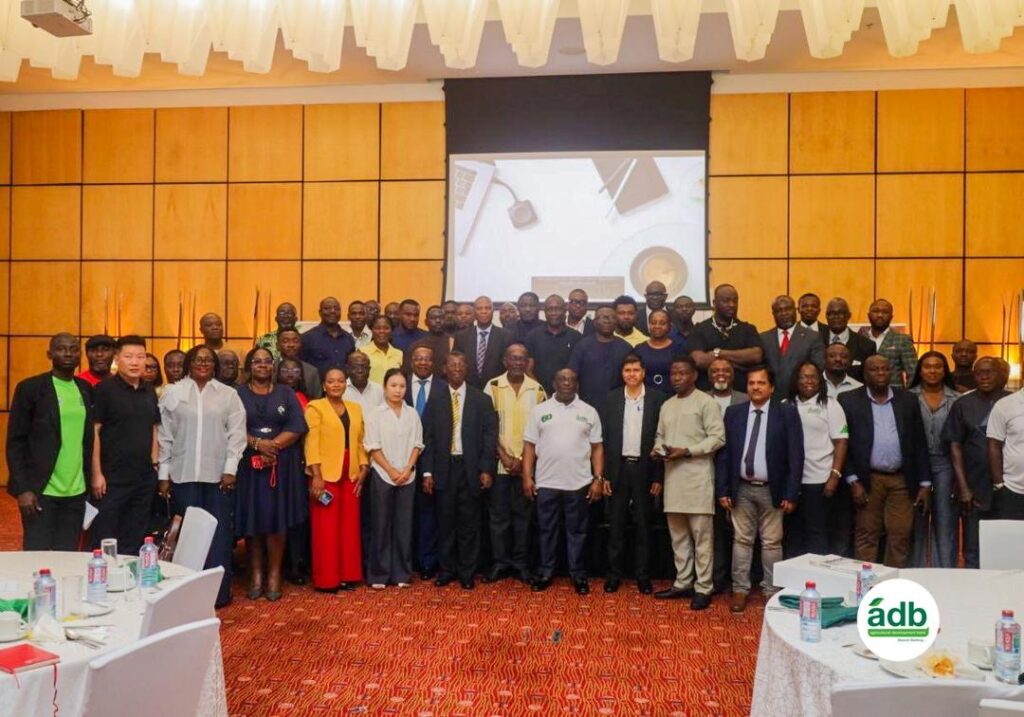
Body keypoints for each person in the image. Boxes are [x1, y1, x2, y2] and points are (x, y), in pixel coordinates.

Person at [157, 344, 245, 607]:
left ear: (215, 365)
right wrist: (164, 474)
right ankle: (186, 595)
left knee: (218, 536)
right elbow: (165, 435)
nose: (203, 363)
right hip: (182, 475)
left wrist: (230, 469)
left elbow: (237, 434)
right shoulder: (173, 392)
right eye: (198, 359)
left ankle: (218, 594)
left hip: (218, 477)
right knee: (187, 536)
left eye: (208, 360)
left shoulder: (228, 395)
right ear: (189, 363)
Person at [716, 366, 803, 613]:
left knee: (772, 542)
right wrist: (723, 489)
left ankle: (770, 591)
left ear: (771, 387)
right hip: (741, 488)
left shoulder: (786, 413)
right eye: (752, 383)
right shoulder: (734, 413)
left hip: (773, 490)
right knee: (741, 540)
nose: (755, 387)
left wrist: (791, 492)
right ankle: (740, 590)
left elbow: (796, 455)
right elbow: (725, 455)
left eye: (761, 383)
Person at [839, 355, 932, 568]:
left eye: (885, 369)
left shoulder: (907, 400)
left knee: (900, 535)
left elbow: (919, 441)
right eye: (874, 369)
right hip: (867, 480)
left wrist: (925, 483)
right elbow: (844, 444)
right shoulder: (849, 400)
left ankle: (892, 582)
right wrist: (853, 480)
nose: (880, 373)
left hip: (901, 480)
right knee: (866, 534)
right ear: (865, 374)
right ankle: (866, 583)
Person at [651, 355, 725, 609]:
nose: (677, 377)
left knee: (702, 539)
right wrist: (658, 449)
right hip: (673, 478)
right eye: (673, 373)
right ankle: (683, 582)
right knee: (679, 537)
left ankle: (703, 587)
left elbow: (718, 438)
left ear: (694, 375)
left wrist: (688, 451)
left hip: (697, 478)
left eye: (682, 373)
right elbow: (660, 436)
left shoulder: (706, 402)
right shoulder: (667, 405)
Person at [7, 333, 93, 551]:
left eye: (73, 349)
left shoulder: (85, 389)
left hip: (76, 492)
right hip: (40, 492)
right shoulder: (31, 388)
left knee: (68, 554)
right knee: (37, 555)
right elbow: (16, 442)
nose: (68, 354)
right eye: (61, 349)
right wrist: (23, 489)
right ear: (49, 354)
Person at [235, 347, 309, 601]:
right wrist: (257, 444)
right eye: (257, 361)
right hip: (249, 465)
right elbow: (231, 426)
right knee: (253, 518)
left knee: (277, 519)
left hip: (281, 463)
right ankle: (256, 573)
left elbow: (298, 425)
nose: (263, 365)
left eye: (267, 361)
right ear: (249, 366)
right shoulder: (238, 393)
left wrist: (272, 446)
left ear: (273, 366)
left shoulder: (285, 392)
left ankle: (275, 573)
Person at [420, 352, 498, 590]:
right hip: (443, 469)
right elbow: (427, 438)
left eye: (460, 365)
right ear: (444, 369)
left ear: (467, 369)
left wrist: (487, 468)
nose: (456, 368)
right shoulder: (435, 399)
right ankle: (447, 570)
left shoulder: (481, 399)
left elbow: (489, 437)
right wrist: (427, 472)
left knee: (469, 523)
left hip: (471, 468)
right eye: (452, 365)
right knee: (445, 523)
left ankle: (467, 572)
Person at [522, 369, 603, 595]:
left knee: (577, 531)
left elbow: (597, 448)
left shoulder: (589, 411)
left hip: (578, 483)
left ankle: (578, 574)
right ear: (553, 383)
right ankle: (546, 572)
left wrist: (598, 478)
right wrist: (527, 477)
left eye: (571, 380)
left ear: (577, 384)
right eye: (562, 379)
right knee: (546, 530)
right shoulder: (539, 410)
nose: (567, 383)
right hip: (546, 483)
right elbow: (529, 446)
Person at [600, 354, 667, 595]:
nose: (631, 374)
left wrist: (658, 476)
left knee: (643, 526)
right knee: (616, 526)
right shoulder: (612, 399)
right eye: (627, 370)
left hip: (645, 469)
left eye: (636, 370)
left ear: (644, 372)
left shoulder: (658, 399)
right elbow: (605, 439)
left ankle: (643, 576)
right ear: (622, 374)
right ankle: (613, 575)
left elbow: (662, 438)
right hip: (618, 468)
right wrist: (605, 475)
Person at [89, 335, 161, 554]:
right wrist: (96, 474)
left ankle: (130, 573)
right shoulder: (104, 390)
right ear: (117, 358)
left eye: (140, 357)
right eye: (128, 356)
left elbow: (154, 428)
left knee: (136, 535)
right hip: (112, 479)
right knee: (106, 537)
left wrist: (154, 465)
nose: (135, 362)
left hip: (143, 477)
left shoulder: (148, 390)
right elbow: (94, 432)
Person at [483, 344, 546, 584]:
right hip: (500, 465)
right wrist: (504, 456)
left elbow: (543, 430)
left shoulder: (537, 389)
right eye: (513, 358)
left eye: (522, 359)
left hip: (527, 468)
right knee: (498, 519)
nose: (518, 362)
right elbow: (487, 427)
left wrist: (523, 461)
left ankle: (521, 564)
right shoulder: (492, 386)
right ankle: (500, 563)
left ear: (527, 362)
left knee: (524, 519)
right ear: (505, 361)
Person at [305, 367, 369, 592]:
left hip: (351, 472)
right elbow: (311, 443)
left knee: (349, 527)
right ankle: (327, 579)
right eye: (331, 381)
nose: (336, 384)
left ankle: (348, 575)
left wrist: (364, 467)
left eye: (340, 381)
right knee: (326, 529)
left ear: (345, 384)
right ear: (324, 385)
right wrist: (316, 476)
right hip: (325, 474)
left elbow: (360, 442)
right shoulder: (315, 407)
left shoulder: (355, 408)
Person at [944, 357, 1010, 568]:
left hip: (1010, 487)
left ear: (1000, 375)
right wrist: (963, 487)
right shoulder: (963, 404)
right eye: (979, 372)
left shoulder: (1013, 402)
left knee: (1006, 547)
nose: (984, 377)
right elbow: (954, 445)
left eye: (990, 372)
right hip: (974, 488)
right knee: (973, 549)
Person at [364, 369, 423, 589]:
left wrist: (408, 469)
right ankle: (379, 574)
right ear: (384, 387)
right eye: (393, 385)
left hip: (408, 476)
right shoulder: (375, 414)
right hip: (382, 475)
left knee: (404, 526)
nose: (398, 390)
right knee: (381, 524)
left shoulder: (412, 414)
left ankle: (402, 574)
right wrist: (390, 470)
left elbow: (417, 444)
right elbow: (372, 446)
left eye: (402, 386)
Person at [786, 362, 850, 558]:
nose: (809, 381)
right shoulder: (785, 404)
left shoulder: (830, 404)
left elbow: (841, 441)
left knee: (817, 532)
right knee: (792, 533)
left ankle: (816, 572)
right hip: (791, 482)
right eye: (804, 376)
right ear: (796, 380)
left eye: (813, 376)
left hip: (819, 480)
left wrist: (835, 476)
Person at [908, 351, 960, 568]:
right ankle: (915, 573)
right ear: (920, 370)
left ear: (945, 370)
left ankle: (945, 574)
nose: (932, 371)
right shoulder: (907, 397)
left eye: (938, 366)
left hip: (946, 465)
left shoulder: (957, 399)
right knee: (915, 524)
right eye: (927, 366)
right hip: (915, 467)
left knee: (945, 522)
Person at [404, 345, 448, 579]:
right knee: (403, 511)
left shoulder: (443, 388)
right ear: (411, 361)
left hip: (434, 458)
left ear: (434, 363)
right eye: (418, 359)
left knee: (428, 512)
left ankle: (427, 561)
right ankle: (405, 559)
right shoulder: (399, 385)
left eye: (427, 359)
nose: (422, 363)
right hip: (400, 458)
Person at [705, 357, 746, 594]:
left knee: (742, 530)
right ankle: (717, 578)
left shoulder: (746, 399)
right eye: (715, 370)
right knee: (714, 530)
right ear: (709, 376)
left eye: (726, 370)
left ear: (733, 375)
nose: (720, 374)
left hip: (738, 472)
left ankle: (742, 580)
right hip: (706, 471)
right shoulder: (700, 398)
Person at [688, 284, 764, 392]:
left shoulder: (747, 329)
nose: (732, 305)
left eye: (735, 301)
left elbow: (756, 356)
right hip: (708, 394)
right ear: (714, 303)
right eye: (726, 301)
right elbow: (699, 361)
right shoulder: (699, 329)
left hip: (741, 394)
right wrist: (738, 363)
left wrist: (718, 353)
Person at [759, 295, 825, 400]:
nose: (784, 313)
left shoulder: (813, 337)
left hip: (801, 398)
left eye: (788, 309)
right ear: (773, 314)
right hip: (770, 398)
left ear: (795, 310)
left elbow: (817, 368)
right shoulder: (763, 338)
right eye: (779, 310)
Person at [567, 306, 632, 408]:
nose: (607, 320)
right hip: (586, 406)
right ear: (594, 322)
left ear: (616, 322)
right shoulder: (582, 346)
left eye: (611, 317)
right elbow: (572, 376)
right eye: (603, 317)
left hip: (618, 405)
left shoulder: (626, 348)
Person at [525, 294, 581, 395]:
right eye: (550, 309)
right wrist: (541, 392)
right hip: (538, 394)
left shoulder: (576, 337)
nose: (554, 313)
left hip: (567, 395)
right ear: (545, 312)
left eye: (558, 309)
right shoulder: (532, 336)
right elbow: (528, 369)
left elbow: (578, 371)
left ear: (565, 311)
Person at [986, 375, 1024, 520]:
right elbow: (994, 445)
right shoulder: (1006, 405)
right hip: (1013, 489)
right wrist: (999, 484)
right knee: (1013, 534)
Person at [453, 296, 510, 388]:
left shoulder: (506, 336)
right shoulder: (461, 336)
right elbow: (457, 363)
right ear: (474, 312)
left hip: (497, 388)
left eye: (488, 308)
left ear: (493, 311)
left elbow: (508, 365)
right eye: (479, 308)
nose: (484, 311)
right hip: (468, 388)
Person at [863, 299, 917, 387]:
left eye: (885, 312)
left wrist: (907, 393)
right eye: (876, 311)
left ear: (891, 317)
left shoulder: (903, 340)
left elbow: (913, 372)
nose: (880, 315)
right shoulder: (860, 338)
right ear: (868, 315)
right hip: (864, 393)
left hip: (894, 392)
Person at [301, 297, 356, 379]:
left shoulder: (348, 338)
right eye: (327, 308)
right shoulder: (307, 338)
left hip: (343, 386)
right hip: (317, 386)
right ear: (320, 312)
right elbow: (302, 367)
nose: (332, 311)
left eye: (336, 309)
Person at [821, 297, 875, 380]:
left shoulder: (866, 345)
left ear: (849, 316)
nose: (836, 317)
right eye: (831, 313)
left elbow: (870, 377)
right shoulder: (815, 341)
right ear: (826, 316)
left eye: (841, 313)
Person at [633, 309, 685, 395]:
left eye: (662, 323)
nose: (657, 326)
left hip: (673, 396)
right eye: (653, 323)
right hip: (645, 396)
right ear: (649, 325)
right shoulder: (639, 349)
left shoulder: (678, 348)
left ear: (669, 326)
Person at [403, 305, 451, 377]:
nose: (438, 321)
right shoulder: (416, 346)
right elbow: (408, 372)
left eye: (441, 318)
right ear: (426, 322)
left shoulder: (453, 342)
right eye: (433, 318)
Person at [277, 329, 323, 400]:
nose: (291, 345)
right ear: (277, 345)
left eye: (295, 341)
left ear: (301, 344)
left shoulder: (312, 371)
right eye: (285, 341)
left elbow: (317, 400)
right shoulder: (271, 368)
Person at [365, 315, 403, 385]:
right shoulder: (362, 352)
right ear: (371, 330)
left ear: (392, 330)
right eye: (377, 328)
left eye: (386, 328)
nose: (382, 331)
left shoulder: (399, 354)